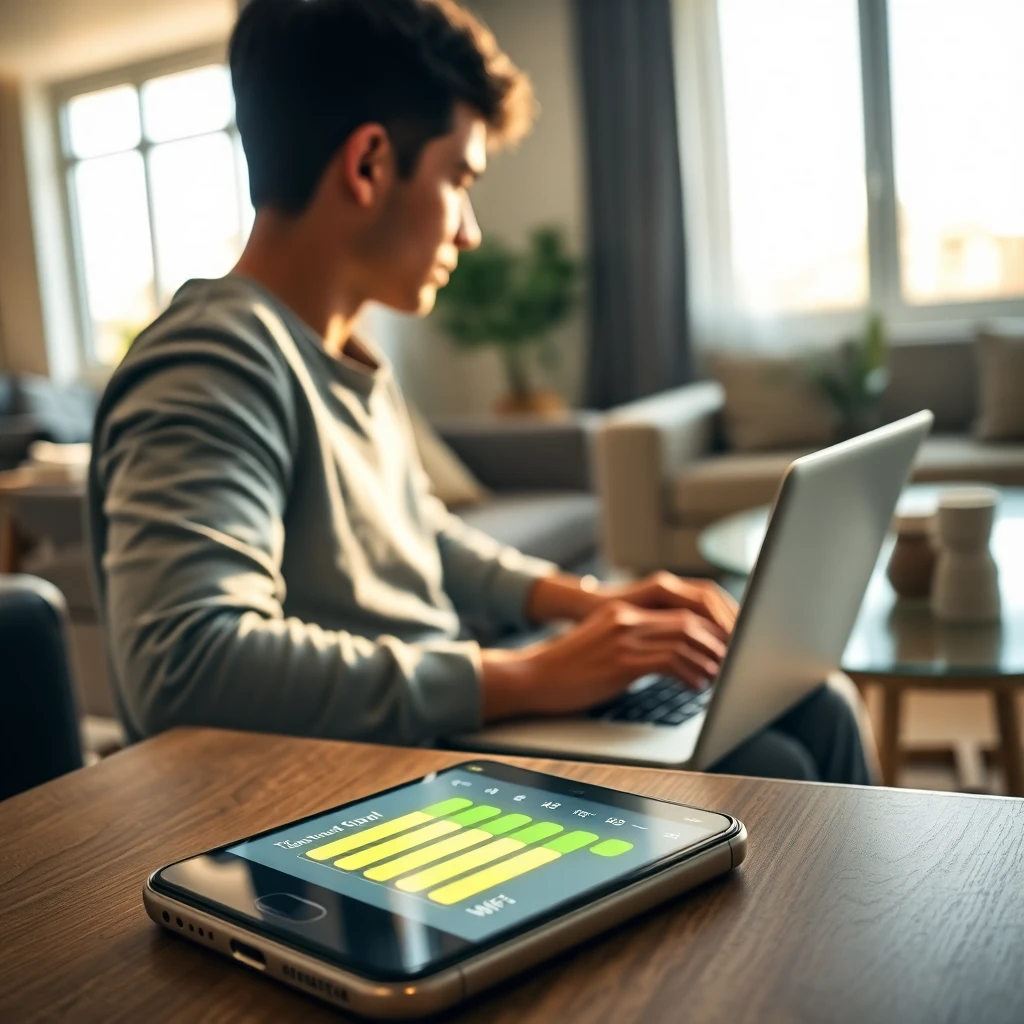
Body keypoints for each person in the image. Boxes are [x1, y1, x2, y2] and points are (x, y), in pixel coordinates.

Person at [87, 0, 875, 784]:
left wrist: (588, 603)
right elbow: (185, 667)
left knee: (813, 703)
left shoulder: (343, 355)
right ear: (367, 165)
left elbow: (416, 538)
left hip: (430, 729)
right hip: (349, 782)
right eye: (460, 179)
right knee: (766, 763)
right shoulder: (213, 359)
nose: (468, 230)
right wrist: (529, 679)